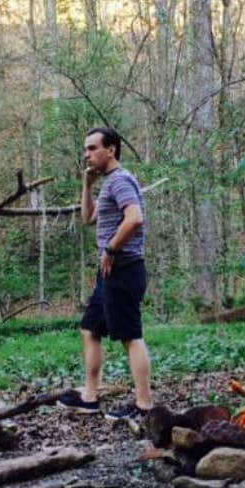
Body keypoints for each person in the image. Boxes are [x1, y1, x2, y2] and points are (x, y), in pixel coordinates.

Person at [58, 127, 153, 419]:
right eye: (85, 149)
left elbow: (135, 218)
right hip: (109, 272)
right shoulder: (109, 182)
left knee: (130, 336)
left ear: (110, 150)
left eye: (92, 148)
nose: (86, 154)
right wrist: (87, 186)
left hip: (124, 267)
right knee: (90, 329)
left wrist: (111, 250)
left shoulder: (120, 180)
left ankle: (144, 406)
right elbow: (88, 218)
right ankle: (89, 397)